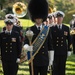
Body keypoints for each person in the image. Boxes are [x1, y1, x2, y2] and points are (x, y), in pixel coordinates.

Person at [23, 0, 54, 75]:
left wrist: (51, 60)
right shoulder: (30, 29)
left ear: (43, 18)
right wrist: (27, 47)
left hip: (44, 60)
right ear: (34, 18)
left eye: (40, 18)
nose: (38, 20)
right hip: (33, 59)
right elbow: (25, 42)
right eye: (37, 18)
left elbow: (50, 46)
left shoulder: (47, 30)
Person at [50, 11, 72, 75]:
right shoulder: (51, 28)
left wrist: (69, 49)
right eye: (57, 18)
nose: (59, 19)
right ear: (55, 19)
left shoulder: (66, 28)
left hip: (63, 51)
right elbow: (50, 41)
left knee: (62, 68)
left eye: (60, 18)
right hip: (54, 51)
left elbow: (69, 39)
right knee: (55, 68)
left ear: (62, 18)